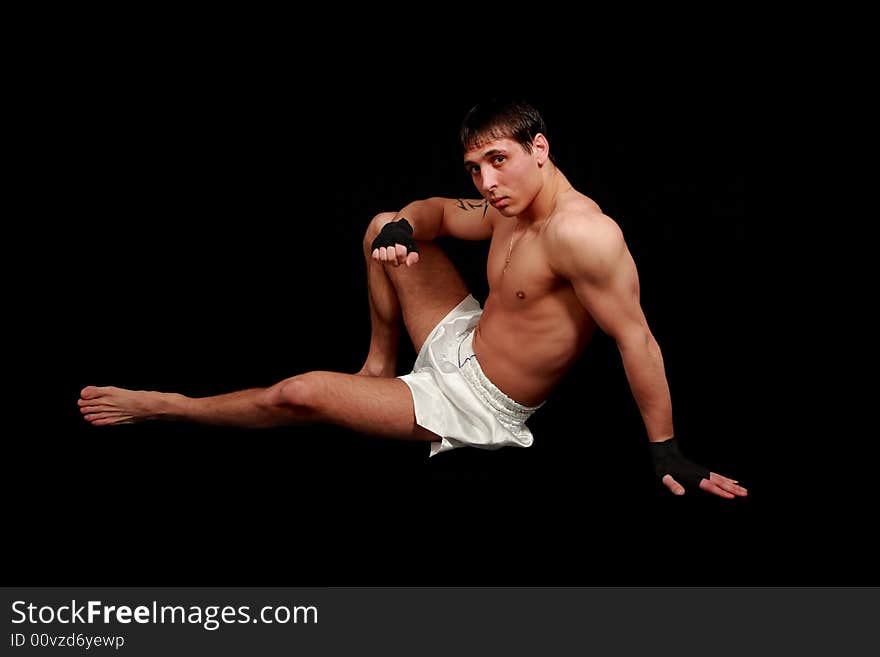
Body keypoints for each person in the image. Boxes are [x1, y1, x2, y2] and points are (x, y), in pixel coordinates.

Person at [78, 98, 746, 500]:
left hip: (481, 400)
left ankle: (166, 406)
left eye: (498, 160)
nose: (486, 182)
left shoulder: (584, 235)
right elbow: (429, 211)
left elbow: (638, 338)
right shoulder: (508, 206)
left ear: (539, 149)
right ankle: (377, 366)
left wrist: (666, 448)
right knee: (380, 226)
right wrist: (404, 225)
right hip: (463, 340)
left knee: (300, 393)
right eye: (474, 169)